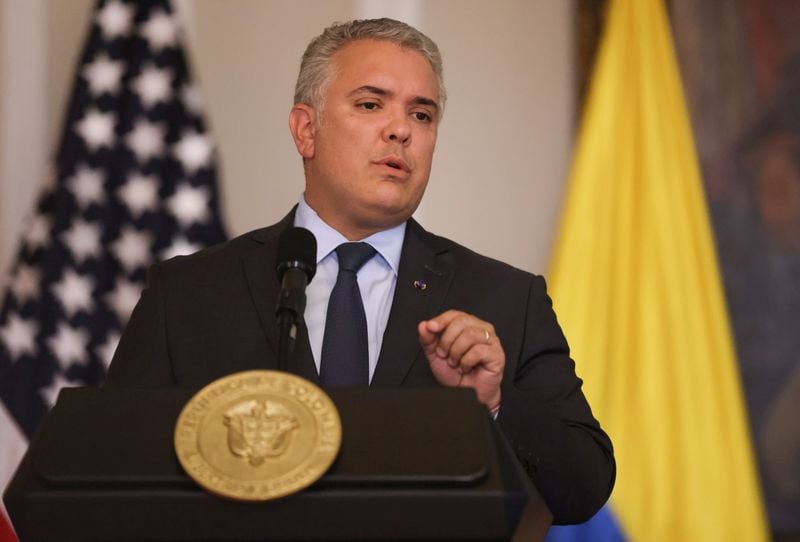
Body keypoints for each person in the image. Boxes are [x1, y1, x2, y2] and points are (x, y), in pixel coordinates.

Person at [105, 18, 615, 524]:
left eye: (421, 115)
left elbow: (583, 486)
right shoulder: (189, 294)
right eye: (371, 105)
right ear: (307, 130)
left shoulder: (505, 298)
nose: (401, 130)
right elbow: (112, 476)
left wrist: (497, 402)